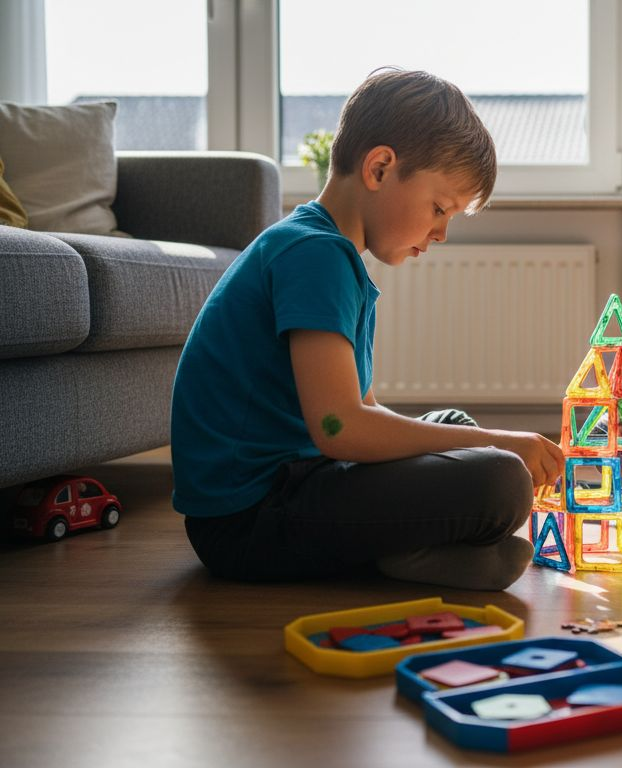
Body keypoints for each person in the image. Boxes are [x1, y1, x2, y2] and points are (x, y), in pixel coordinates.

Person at [171, 69, 563, 589]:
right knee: (500, 476)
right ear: (379, 167)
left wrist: (479, 438)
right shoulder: (314, 255)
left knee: (459, 428)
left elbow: (363, 413)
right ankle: (405, 553)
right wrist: (497, 441)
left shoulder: (329, 254)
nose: (442, 232)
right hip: (249, 523)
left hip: (298, 482)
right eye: (439, 208)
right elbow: (341, 429)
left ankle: (408, 549)